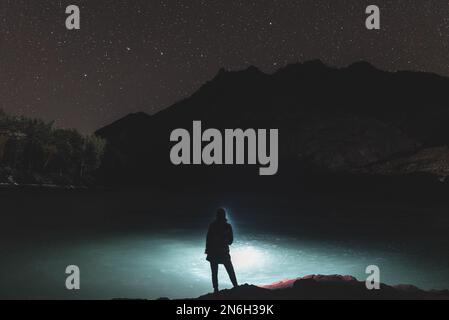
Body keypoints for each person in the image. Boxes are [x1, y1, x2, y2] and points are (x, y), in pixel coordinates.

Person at [205, 208, 238, 293]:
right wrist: (224, 240)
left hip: (213, 252)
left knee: (214, 272)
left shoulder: (212, 225)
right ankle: (236, 286)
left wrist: (207, 250)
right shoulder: (228, 226)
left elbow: (208, 239)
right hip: (223, 252)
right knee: (230, 270)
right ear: (224, 215)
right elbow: (230, 241)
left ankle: (216, 290)